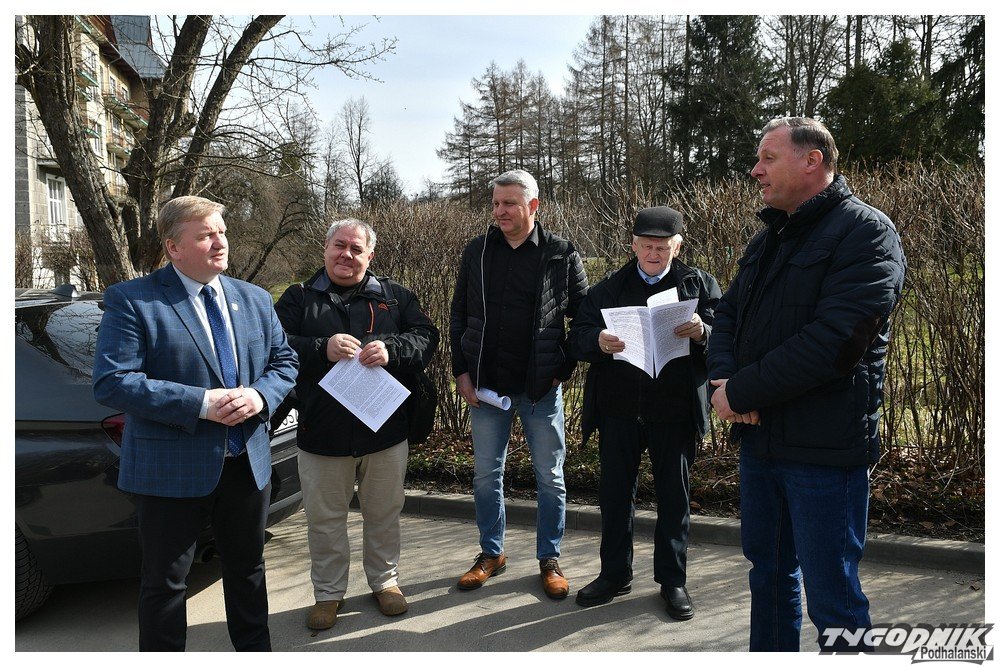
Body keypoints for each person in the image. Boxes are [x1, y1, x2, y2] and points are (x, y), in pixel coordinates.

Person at [707, 117, 906, 651]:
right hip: (761, 443)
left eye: (768, 158)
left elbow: (836, 344)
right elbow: (727, 316)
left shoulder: (867, 233)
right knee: (769, 577)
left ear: (812, 160)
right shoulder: (769, 238)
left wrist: (741, 393)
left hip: (824, 454)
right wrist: (723, 380)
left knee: (833, 596)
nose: (756, 170)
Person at [92, 196, 298, 651]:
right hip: (170, 468)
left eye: (222, 231)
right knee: (165, 584)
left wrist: (260, 395)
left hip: (246, 464)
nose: (220, 242)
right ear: (174, 247)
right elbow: (113, 381)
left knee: (248, 571)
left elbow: (285, 361)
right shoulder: (134, 300)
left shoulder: (254, 298)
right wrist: (200, 403)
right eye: (206, 235)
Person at [274, 219, 439, 631]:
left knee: (384, 513)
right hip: (321, 433)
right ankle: (329, 594)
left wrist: (392, 349)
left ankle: (385, 583)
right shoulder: (297, 298)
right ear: (326, 247)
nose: (346, 254)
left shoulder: (395, 297)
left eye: (356, 248)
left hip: (385, 432)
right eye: (339, 245)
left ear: (370, 255)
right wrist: (320, 347)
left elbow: (427, 337)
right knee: (325, 520)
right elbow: (271, 345)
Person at [567, 206, 720, 620]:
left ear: (678, 247)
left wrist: (703, 332)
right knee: (615, 496)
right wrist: (598, 341)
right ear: (633, 245)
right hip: (619, 410)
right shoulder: (609, 288)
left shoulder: (699, 285)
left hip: (674, 410)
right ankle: (614, 574)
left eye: (662, 247)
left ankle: (672, 580)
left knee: (674, 497)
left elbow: (728, 334)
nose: (654, 254)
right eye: (647, 246)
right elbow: (576, 337)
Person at [449, 169, 588, 599]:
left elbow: (584, 317)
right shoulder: (477, 251)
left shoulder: (561, 253)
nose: (499, 211)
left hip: (540, 389)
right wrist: (461, 372)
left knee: (550, 477)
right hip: (487, 389)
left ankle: (550, 559)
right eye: (495, 203)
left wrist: (562, 369)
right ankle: (491, 554)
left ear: (533, 206)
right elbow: (458, 314)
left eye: (509, 203)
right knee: (486, 476)